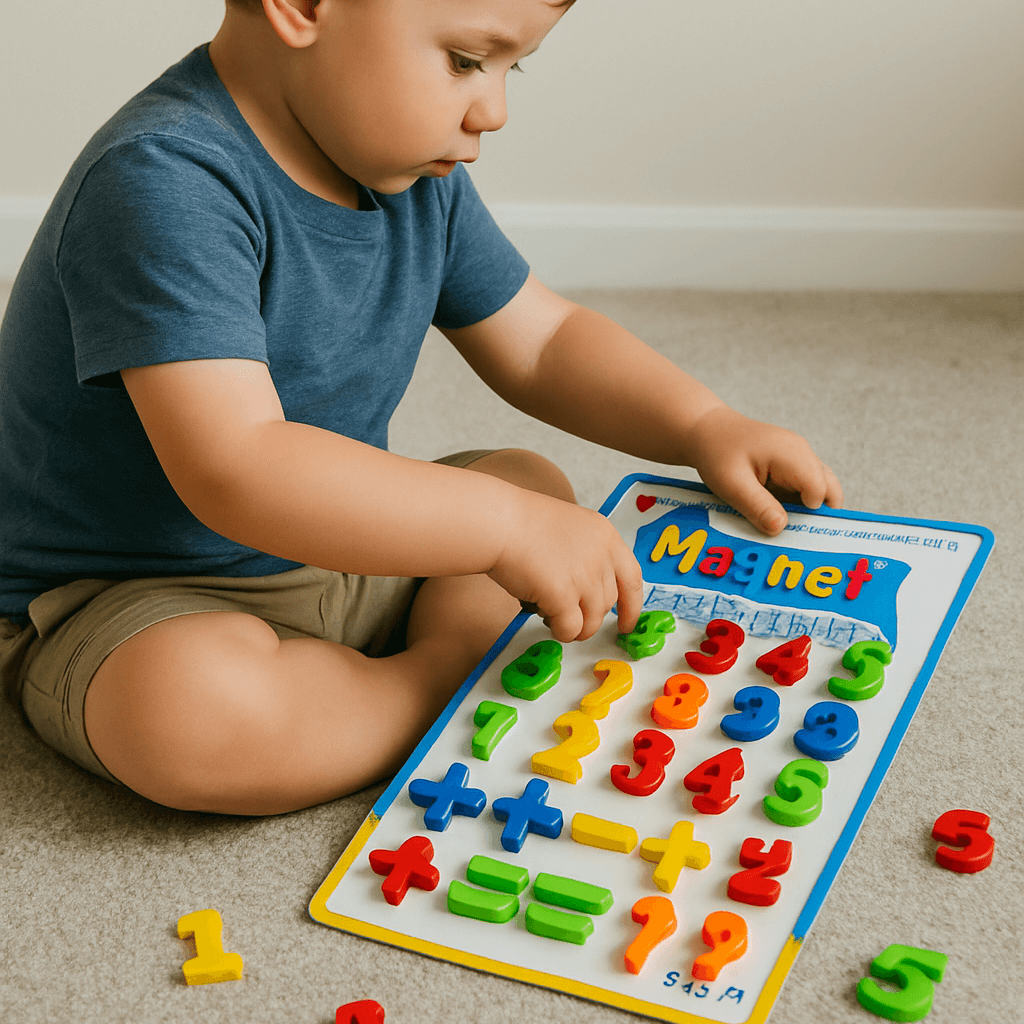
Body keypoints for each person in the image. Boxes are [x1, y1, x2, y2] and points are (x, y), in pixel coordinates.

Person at [0, 0, 842, 816]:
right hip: (130, 593)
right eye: (467, 61)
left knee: (526, 479)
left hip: (338, 545)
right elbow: (238, 467)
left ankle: (383, 685)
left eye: (517, 66)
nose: (497, 110)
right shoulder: (162, 179)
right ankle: (437, 680)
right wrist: (503, 530)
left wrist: (701, 425)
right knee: (192, 715)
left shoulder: (402, 168)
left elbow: (542, 341)